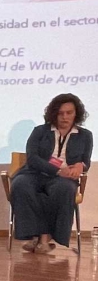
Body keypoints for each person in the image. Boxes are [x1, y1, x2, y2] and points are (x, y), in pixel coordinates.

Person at [11, 93, 92, 253]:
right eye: (60, 113)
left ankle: (46, 238)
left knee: (63, 190)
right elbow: (33, 158)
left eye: (69, 113)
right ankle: (36, 236)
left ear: (77, 114)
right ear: (53, 114)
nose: (64, 117)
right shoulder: (40, 131)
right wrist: (57, 170)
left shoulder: (85, 136)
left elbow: (86, 161)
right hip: (35, 173)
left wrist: (80, 166)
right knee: (21, 185)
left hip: (65, 178)